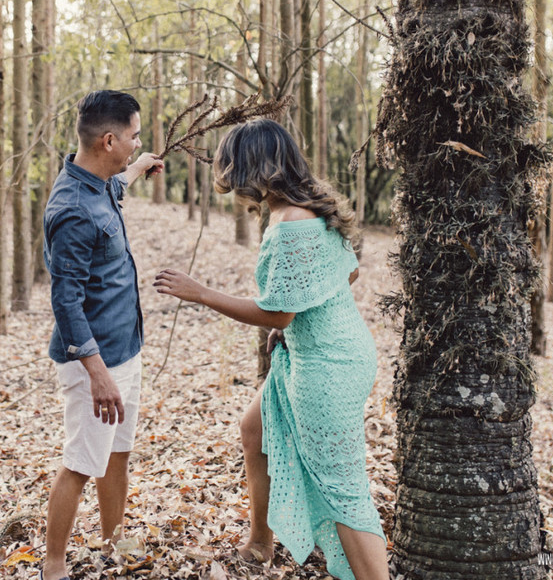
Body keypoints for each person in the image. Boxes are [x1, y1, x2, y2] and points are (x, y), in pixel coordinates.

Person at [153, 119, 389, 580]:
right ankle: (260, 542)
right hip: (322, 349)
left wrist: (200, 292)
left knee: (342, 488)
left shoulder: (293, 222)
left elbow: (276, 313)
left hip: (329, 366)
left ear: (253, 168)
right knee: (254, 429)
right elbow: (347, 273)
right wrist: (298, 318)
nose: (231, 182)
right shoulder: (302, 209)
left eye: (233, 169)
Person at [40, 90, 164, 580]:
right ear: (109, 139)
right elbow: (65, 301)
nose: (137, 144)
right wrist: (97, 372)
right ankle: (53, 567)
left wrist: (138, 167)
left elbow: (114, 189)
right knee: (81, 461)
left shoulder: (97, 183)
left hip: (124, 347)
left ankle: (113, 543)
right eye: (133, 138)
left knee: (117, 452)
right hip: (94, 362)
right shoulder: (71, 208)